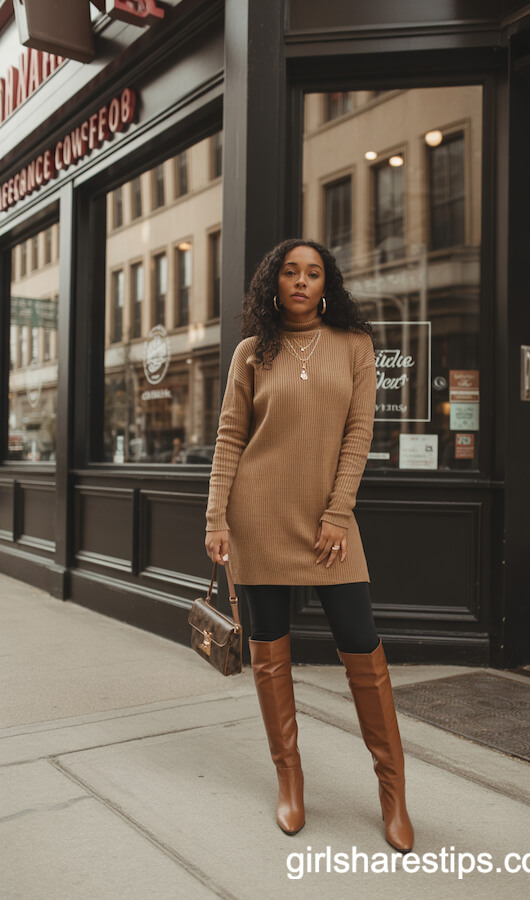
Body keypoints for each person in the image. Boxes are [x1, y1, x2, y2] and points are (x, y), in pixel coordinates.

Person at [204, 239, 414, 853]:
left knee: (363, 649)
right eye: (290, 272)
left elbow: (359, 434)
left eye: (312, 272)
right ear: (275, 283)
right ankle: (289, 780)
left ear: (328, 285)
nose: (300, 281)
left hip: (328, 526)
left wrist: (337, 513)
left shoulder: (354, 347)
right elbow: (229, 440)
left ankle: (393, 792)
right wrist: (217, 517)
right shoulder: (252, 352)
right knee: (269, 657)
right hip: (258, 518)